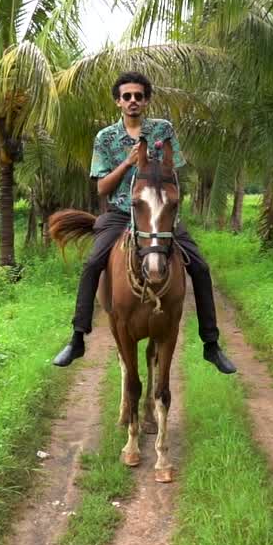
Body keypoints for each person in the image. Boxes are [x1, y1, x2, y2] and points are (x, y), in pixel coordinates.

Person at [52, 71, 237, 374]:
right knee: (93, 263)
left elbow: (174, 173)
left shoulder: (163, 130)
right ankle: (77, 337)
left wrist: (165, 202)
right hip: (121, 213)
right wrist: (127, 161)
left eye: (138, 96)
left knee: (200, 267)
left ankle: (211, 344)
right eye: (127, 96)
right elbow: (101, 188)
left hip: (159, 213)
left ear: (146, 100)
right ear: (118, 102)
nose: (133, 101)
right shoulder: (106, 138)